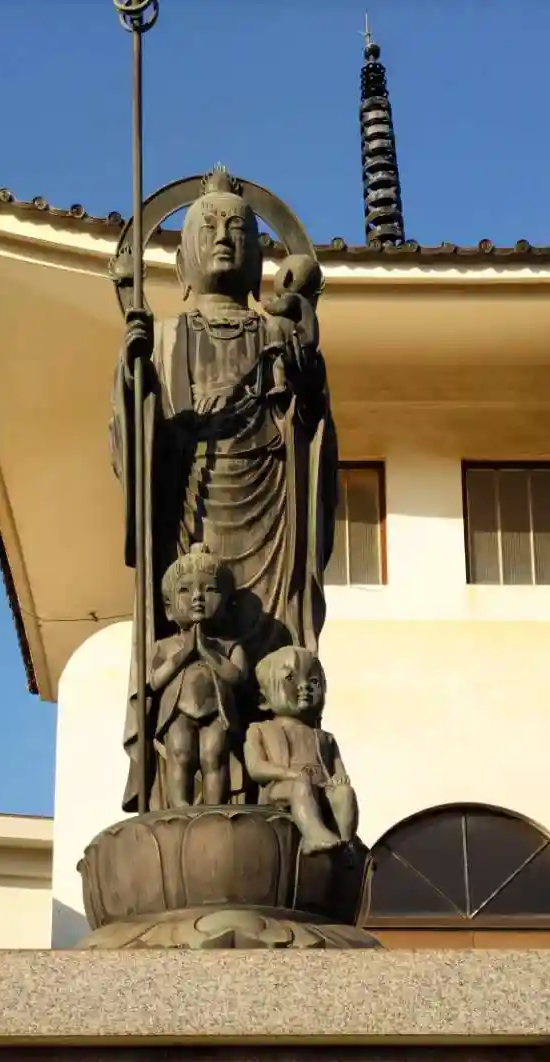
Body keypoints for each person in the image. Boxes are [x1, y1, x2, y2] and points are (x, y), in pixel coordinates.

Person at [111, 165, 337, 716]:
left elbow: (309, 419)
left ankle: (274, 723)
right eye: (208, 228)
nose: (223, 239)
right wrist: (133, 378)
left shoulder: (277, 331)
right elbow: (132, 441)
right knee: (193, 623)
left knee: (273, 638)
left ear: (259, 255)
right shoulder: (165, 335)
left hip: (270, 504)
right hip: (192, 499)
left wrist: (305, 366)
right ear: (183, 257)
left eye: (238, 229)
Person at [123, 545, 248, 810]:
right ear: (169, 608)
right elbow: (153, 682)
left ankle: (215, 807)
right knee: (180, 753)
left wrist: (207, 652)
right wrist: (185, 653)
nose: (198, 596)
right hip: (176, 712)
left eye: (209, 589)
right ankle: (180, 806)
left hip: (218, 712)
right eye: (185, 590)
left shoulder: (228, 646)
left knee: (214, 755)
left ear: (227, 605)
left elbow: (237, 676)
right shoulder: (164, 646)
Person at [243, 647, 358, 855]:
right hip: (281, 790)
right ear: (264, 700)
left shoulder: (324, 738)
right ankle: (314, 834)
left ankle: (346, 846)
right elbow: (256, 767)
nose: (304, 686)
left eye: (313, 681)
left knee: (344, 793)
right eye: (290, 678)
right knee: (301, 785)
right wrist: (290, 774)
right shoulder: (259, 730)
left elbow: (338, 770)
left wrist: (339, 779)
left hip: (321, 789)